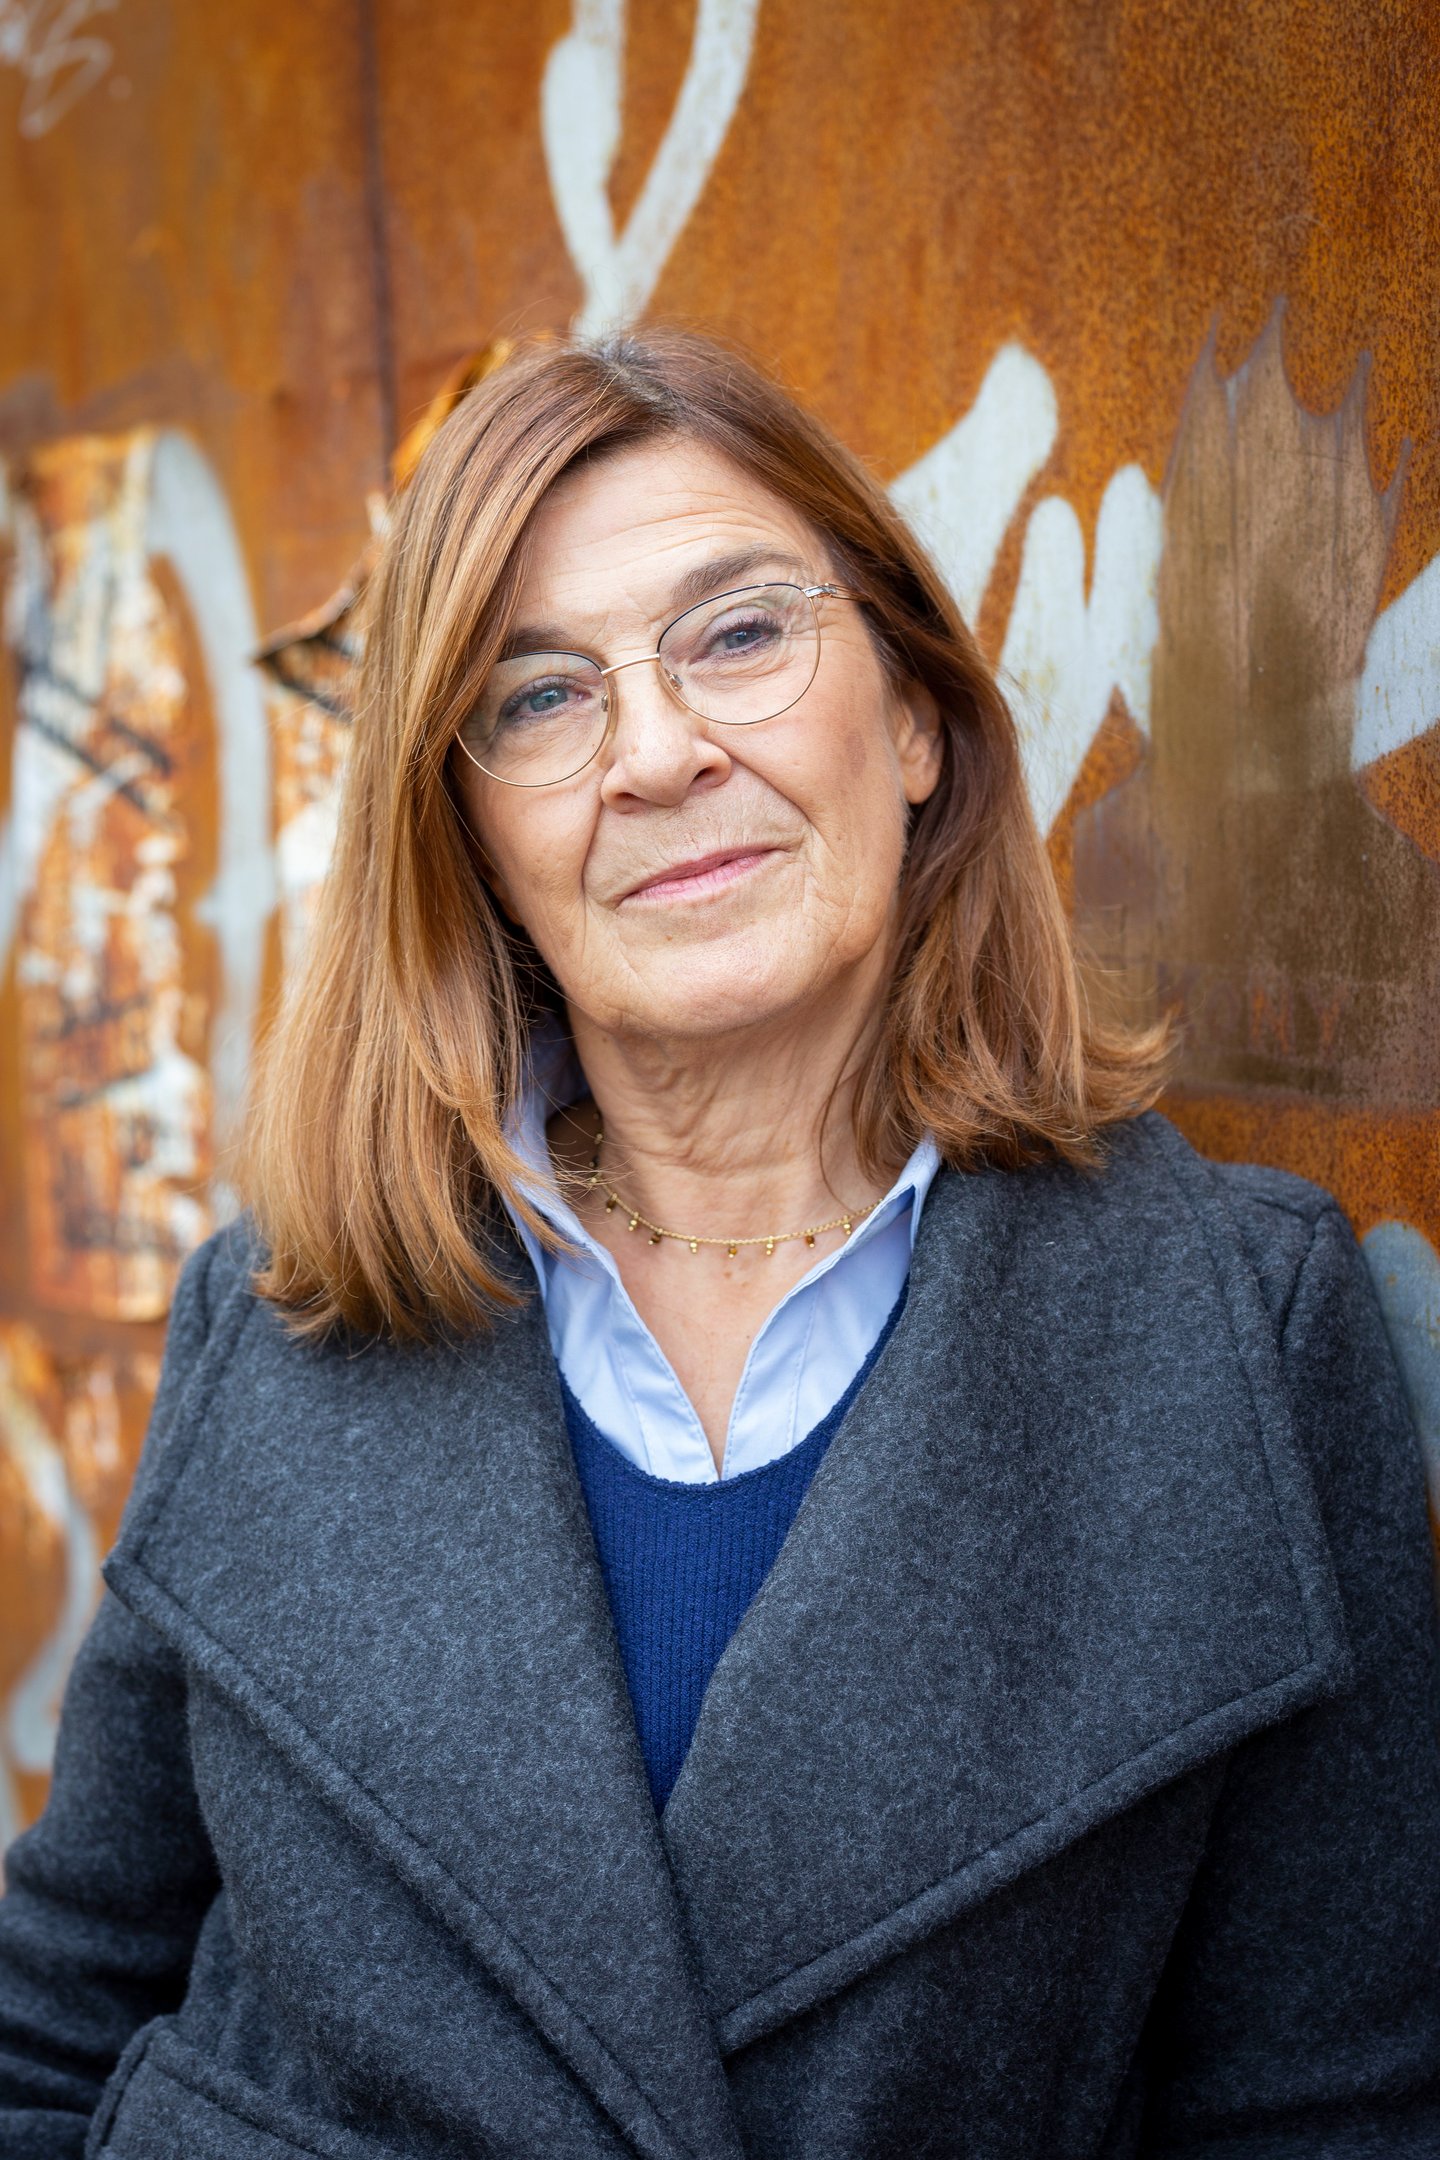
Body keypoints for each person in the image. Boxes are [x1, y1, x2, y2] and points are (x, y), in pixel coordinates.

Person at [1, 325, 1437, 2160]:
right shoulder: (278, 1317)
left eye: (741, 634)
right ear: (469, 839)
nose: (661, 754)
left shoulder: (1240, 1324)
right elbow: (53, 2019)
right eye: (538, 699)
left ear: (915, 719)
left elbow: (1334, 2112)